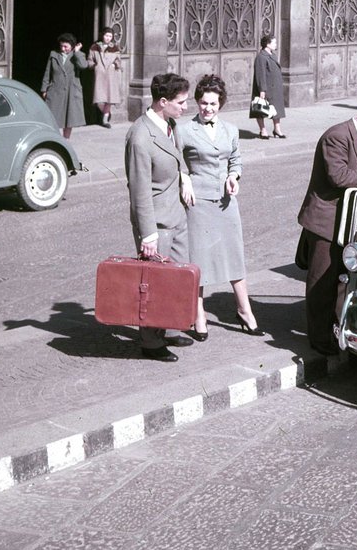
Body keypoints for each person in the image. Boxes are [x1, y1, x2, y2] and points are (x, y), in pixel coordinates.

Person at [296, 96, 357, 354]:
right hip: (324, 222)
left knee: (337, 281)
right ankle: (318, 341)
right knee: (321, 284)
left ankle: (333, 331)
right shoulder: (337, 136)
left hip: (341, 223)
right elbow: (337, 176)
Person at [180, 74, 259, 338]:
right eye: (203, 103)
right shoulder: (184, 130)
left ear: (220, 104)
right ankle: (198, 314)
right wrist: (185, 179)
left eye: (213, 104)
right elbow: (175, 160)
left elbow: (235, 160)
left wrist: (233, 176)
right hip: (198, 202)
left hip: (226, 202)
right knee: (199, 258)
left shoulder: (231, 130)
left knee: (234, 255)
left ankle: (244, 310)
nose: (208, 108)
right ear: (197, 102)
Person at [124, 72, 194, 362]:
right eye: (181, 102)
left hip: (176, 214)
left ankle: (169, 327)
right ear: (162, 102)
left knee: (175, 280)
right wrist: (148, 234)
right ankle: (151, 342)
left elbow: (177, 159)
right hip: (157, 223)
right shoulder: (140, 137)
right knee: (155, 284)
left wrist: (185, 176)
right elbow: (139, 189)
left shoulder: (170, 124)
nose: (186, 107)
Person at [41, 32, 90, 138]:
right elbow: (47, 72)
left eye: (66, 46)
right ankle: (56, 139)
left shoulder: (76, 55)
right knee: (53, 117)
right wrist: (44, 89)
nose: (63, 48)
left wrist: (77, 52)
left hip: (71, 91)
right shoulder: (54, 55)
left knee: (69, 118)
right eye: (61, 46)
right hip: (55, 90)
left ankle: (66, 140)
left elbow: (84, 66)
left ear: (72, 46)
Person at [88, 25, 124, 128]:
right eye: (106, 35)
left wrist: (115, 65)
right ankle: (105, 113)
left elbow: (118, 60)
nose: (108, 38)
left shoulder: (114, 48)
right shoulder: (94, 47)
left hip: (110, 75)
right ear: (102, 35)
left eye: (110, 36)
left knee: (109, 98)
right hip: (99, 75)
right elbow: (89, 60)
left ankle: (105, 120)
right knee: (99, 99)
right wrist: (95, 66)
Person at [252, 34, 286, 139]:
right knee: (261, 109)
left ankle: (277, 129)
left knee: (277, 109)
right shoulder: (261, 57)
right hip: (265, 87)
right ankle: (263, 130)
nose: (276, 45)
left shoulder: (272, 55)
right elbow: (260, 74)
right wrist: (262, 89)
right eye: (274, 43)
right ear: (267, 44)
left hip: (275, 87)